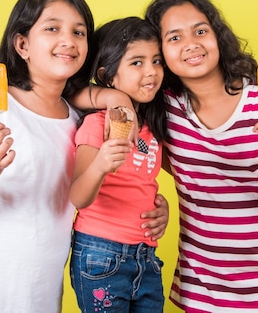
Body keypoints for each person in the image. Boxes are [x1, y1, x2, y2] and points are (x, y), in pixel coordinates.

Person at [0, 0, 168, 313]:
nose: (68, 40)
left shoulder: (77, 120)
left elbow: (102, 188)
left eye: (79, 32)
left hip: (39, 298)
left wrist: (156, 206)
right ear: (23, 44)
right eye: (52, 28)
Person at [72, 0, 258, 312]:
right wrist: (113, 97)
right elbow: (70, 93)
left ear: (218, 35)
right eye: (174, 38)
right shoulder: (166, 110)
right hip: (202, 289)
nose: (191, 43)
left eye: (201, 31)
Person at [69, 17, 168, 313]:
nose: (151, 71)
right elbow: (78, 197)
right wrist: (100, 165)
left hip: (146, 256)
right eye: (136, 63)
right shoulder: (96, 124)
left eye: (156, 61)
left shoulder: (152, 127)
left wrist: (162, 207)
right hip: (101, 253)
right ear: (108, 76)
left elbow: (143, 185)